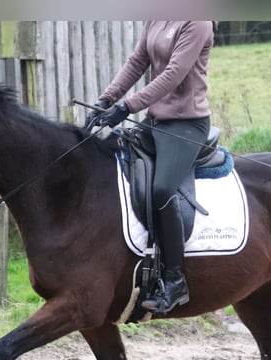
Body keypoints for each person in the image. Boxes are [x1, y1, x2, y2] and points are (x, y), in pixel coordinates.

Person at [86, 21, 215, 315]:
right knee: (109, 162)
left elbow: (173, 74)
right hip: (156, 121)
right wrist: (106, 99)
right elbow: (137, 62)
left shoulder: (198, 22)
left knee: (161, 190)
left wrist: (127, 107)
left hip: (186, 124)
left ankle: (174, 279)